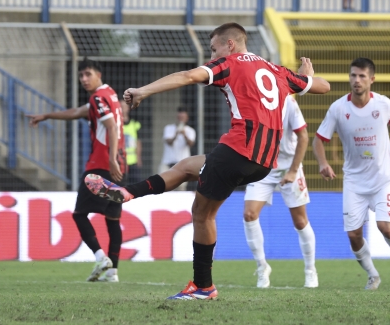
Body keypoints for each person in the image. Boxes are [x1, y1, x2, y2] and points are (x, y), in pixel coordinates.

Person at [84, 22, 330, 300]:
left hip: (238, 150)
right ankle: (127, 192)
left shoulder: (229, 63)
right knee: (187, 166)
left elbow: (188, 76)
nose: (212, 56)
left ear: (231, 45)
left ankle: (203, 287)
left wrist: (143, 91)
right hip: (264, 162)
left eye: (214, 49)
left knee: (202, 214)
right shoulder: (276, 70)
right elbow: (324, 86)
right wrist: (306, 78)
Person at [312, 57, 390, 290]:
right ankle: (373, 275)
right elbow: (318, 140)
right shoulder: (338, 108)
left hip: (382, 179)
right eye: (353, 75)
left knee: (385, 227)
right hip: (354, 181)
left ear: (372, 79)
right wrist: (323, 163)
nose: (356, 80)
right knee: (353, 234)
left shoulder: (383, 105)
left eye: (361, 76)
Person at [27, 58, 126, 283]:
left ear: (98, 74)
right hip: (120, 166)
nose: (83, 79)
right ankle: (112, 273)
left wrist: (110, 159)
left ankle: (101, 257)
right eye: (81, 75)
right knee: (112, 219)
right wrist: (47, 116)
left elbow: (110, 127)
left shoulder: (98, 98)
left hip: (101, 166)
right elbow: (77, 112)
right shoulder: (109, 94)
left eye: (87, 74)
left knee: (79, 215)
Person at [243, 95, 317, 288]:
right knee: (249, 214)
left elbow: (304, 137)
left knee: (300, 221)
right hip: (262, 166)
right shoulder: (252, 99)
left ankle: (310, 271)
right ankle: (262, 268)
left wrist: (293, 171)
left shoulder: (288, 102)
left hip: (288, 166)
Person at [160, 107, 196, 191]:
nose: (181, 119)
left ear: (187, 118)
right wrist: (176, 134)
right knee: (163, 185)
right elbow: (168, 142)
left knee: (181, 188)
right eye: (180, 117)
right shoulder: (168, 128)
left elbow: (191, 144)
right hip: (167, 162)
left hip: (182, 164)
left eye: (183, 118)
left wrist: (184, 135)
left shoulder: (190, 131)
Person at [120, 99, 143, 184]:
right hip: (120, 162)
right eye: (120, 107)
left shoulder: (135, 125)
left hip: (133, 161)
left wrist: (138, 158)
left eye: (124, 107)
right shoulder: (115, 125)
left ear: (128, 108)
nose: (122, 109)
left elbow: (138, 142)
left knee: (135, 185)